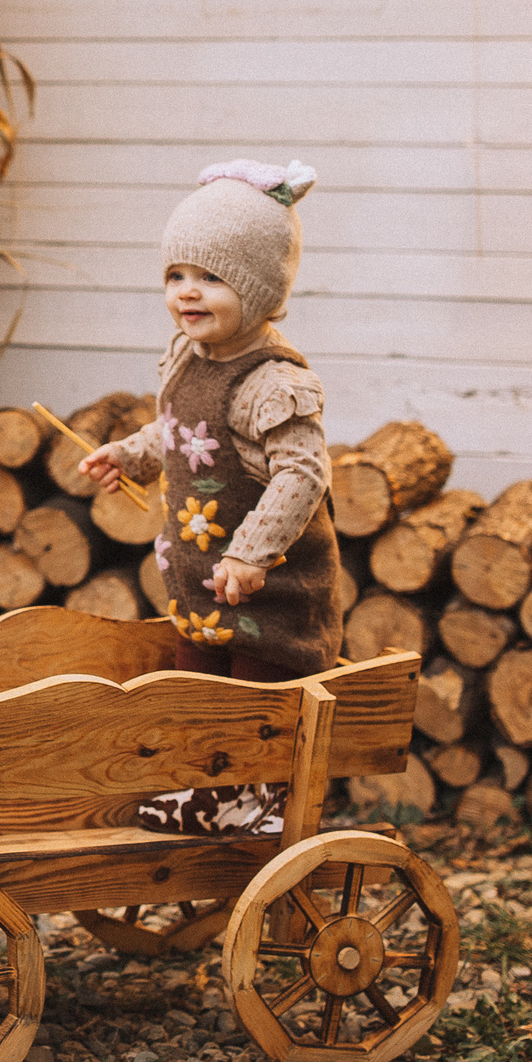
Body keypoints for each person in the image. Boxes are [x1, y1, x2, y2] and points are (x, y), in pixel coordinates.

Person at [81, 158, 340, 834]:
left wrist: (253, 553)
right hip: (199, 585)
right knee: (194, 691)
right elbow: (178, 431)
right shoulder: (190, 357)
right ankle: (198, 786)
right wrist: (131, 454)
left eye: (211, 277)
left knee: (250, 704)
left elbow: (302, 476)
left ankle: (251, 801)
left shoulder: (270, 382)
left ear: (257, 289)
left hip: (268, 596)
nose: (186, 293)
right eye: (176, 275)